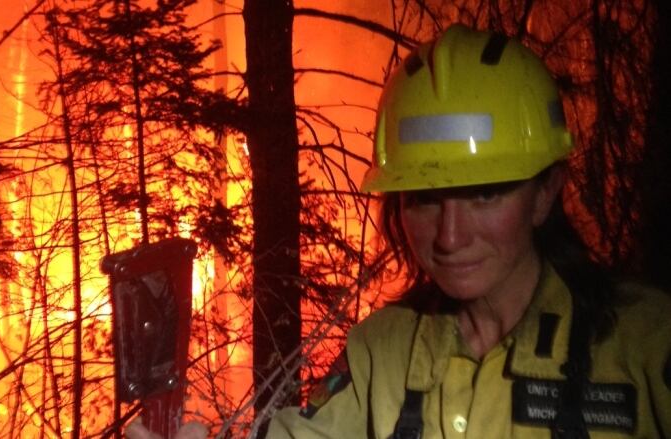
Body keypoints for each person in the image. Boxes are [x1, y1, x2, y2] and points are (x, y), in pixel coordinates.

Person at [129, 24, 671, 438]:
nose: (450, 237)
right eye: (425, 198)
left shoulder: (645, 344)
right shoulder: (383, 351)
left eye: (484, 193)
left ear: (545, 192)